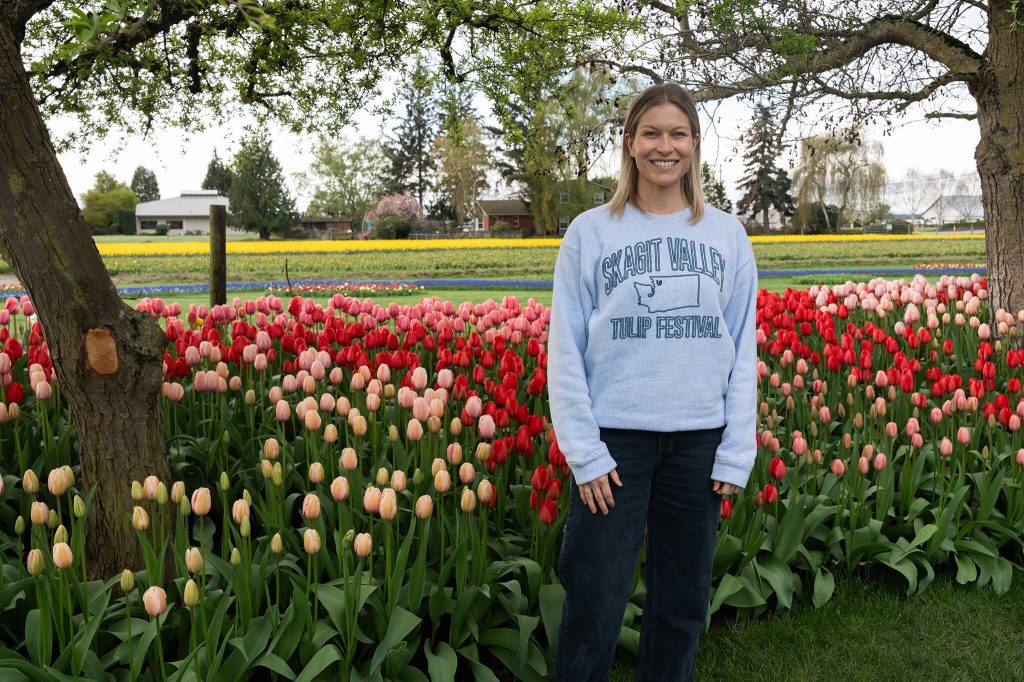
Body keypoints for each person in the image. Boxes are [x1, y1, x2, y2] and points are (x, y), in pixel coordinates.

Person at [548, 83, 758, 681]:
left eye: (678, 134)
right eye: (652, 133)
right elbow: (564, 349)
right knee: (593, 604)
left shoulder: (727, 235)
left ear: (694, 146)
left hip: (699, 444)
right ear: (630, 145)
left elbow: (743, 350)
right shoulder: (591, 233)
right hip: (616, 446)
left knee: (683, 607)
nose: (665, 147)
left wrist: (736, 451)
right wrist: (585, 453)